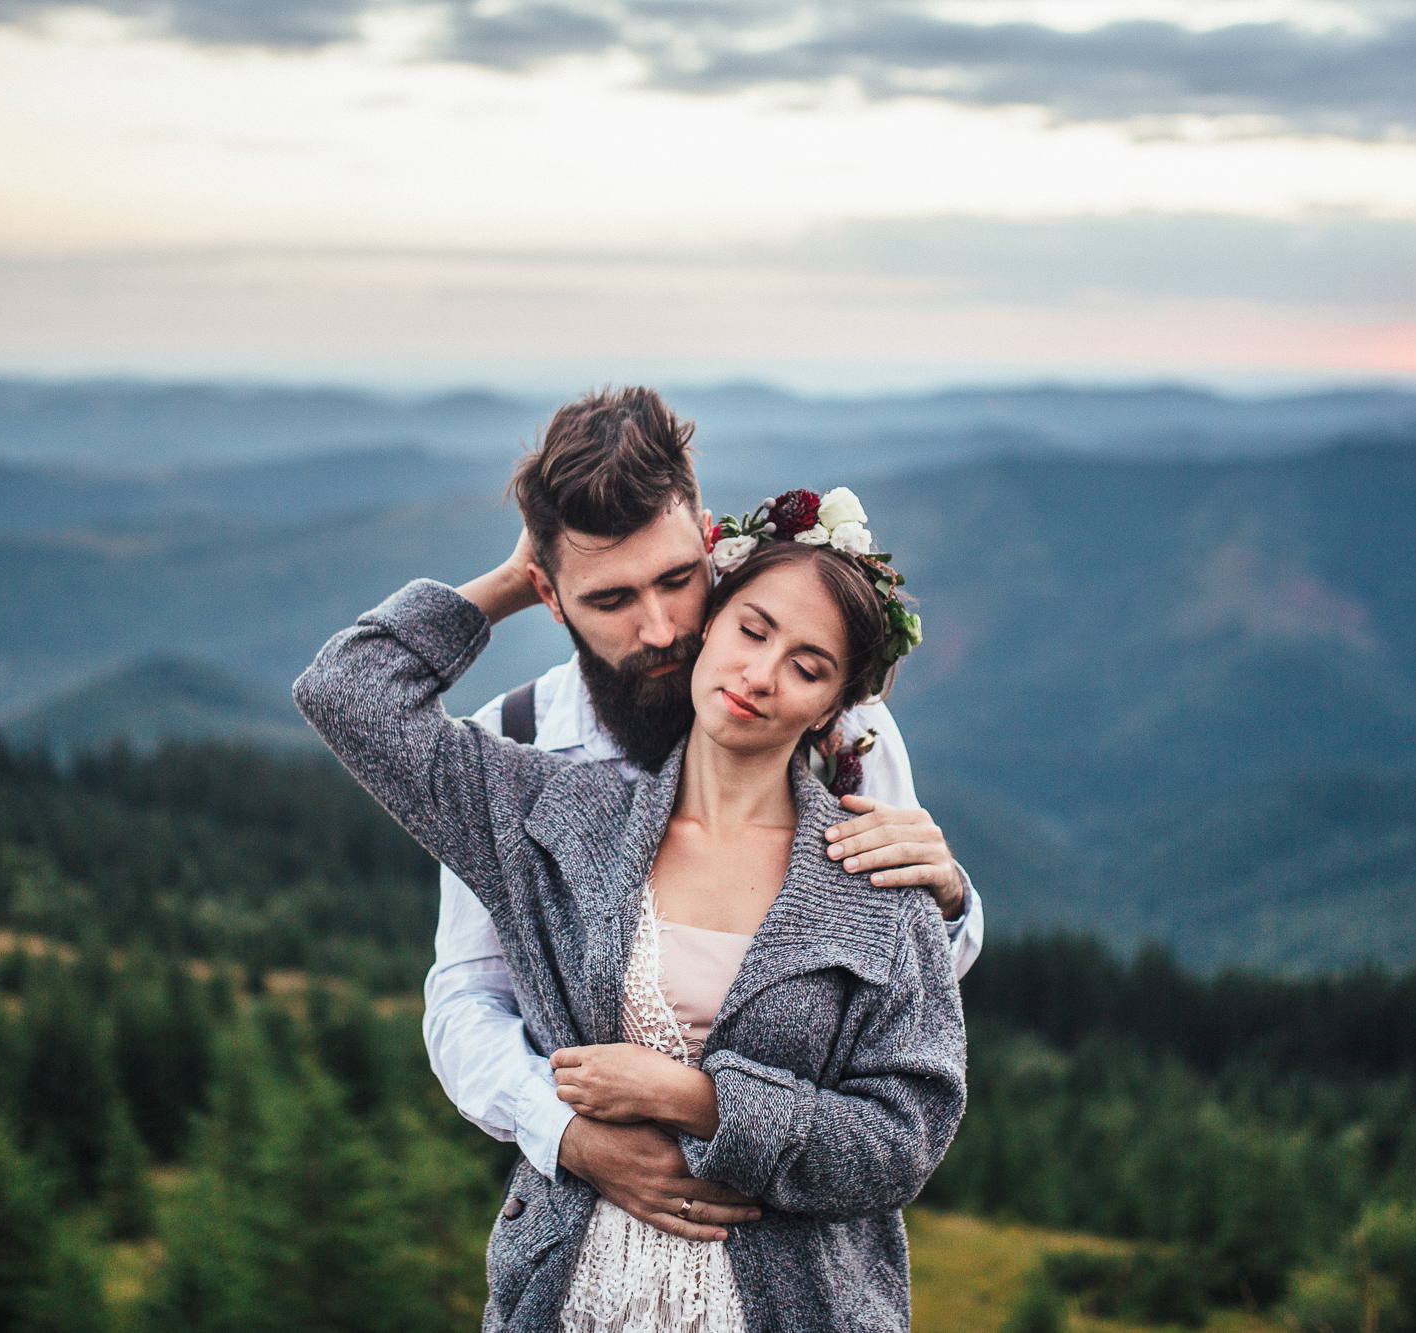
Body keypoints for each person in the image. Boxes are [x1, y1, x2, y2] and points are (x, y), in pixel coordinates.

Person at [294, 481, 967, 1331]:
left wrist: (702, 1100)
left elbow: (902, 1140)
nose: (760, 675)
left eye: (807, 666)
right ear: (707, 627)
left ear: (834, 705)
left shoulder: (876, 871)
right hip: (569, 1302)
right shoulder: (554, 821)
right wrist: (523, 576)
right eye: (751, 630)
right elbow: (347, 690)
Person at [423, 388, 983, 1244]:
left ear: (710, 543)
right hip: (589, 1238)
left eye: (679, 580)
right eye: (609, 599)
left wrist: (945, 897)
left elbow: (906, 993)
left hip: (791, 1237)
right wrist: (570, 1135)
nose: (658, 627)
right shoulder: (514, 740)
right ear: (551, 592)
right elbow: (465, 998)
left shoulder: (847, 730)